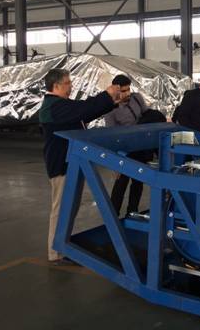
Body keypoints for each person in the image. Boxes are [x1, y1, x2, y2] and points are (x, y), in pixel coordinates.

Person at [39, 68, 120, 265]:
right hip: (61, 165)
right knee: (61, 209)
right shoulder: (54, 106)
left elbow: (85, 113)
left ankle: (63, 246)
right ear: (56, 86)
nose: (71, 86)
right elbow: (83, 109)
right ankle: (55, 252)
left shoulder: (61, 107)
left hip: (71, 163)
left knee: (69, 208)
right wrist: (106, 95)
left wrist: (111, 101)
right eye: (68, 83)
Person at [104, 75, 148, 217]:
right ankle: (113, 214)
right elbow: (111, 135)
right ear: (116, 90)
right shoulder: (111, 109)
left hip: (140, 147)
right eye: (123, 91)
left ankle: (132, 212)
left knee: (138, 182)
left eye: (128, 89)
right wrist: (115, 160)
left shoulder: (137, 98)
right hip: (124, 150)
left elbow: (146, 115)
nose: (127, 93)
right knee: (121, 183)